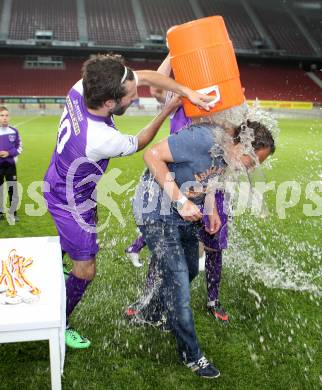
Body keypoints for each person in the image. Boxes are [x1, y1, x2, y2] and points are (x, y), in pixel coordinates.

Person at [43, 53, 213, 350]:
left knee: (69, 252)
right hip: (71, 201)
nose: (135, 99)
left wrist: (187, 92)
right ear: (109, 103)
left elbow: (144, 76)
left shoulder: (83, 87)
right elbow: (140, 142)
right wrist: (167, 109)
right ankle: (60, 322)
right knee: (86, 270)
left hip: (63, 179)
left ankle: (58, 266)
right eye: (131, 98)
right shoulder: (98, 138)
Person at [131, 112, 275, 378]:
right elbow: (151, 155)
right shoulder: (202, 138)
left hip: (183, 214)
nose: (251, 168)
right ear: (242, 146)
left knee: (190, 270)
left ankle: (150, 313)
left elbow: (210, 179)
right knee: (179, 286)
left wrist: (211, 211)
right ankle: (192, 355)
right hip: (154, 212)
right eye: (252, 160)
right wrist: (181, 202)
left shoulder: (226, 155)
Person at [125, 54, 228, 322]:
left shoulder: (220, 102)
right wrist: (174, 54)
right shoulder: (182, 99)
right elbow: (157, 88)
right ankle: (149, 298)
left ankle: (213, 299)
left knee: (215, 242)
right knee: (166, 243)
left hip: (213, 179)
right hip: (177, 182)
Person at [0, 106, 22, 225]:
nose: (4, 118)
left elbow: (20, 147)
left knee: (12, 189)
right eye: (2, 115)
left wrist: (9, 153)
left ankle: (13, 213)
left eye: (6, 115)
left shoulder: (14, 131)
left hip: (10, 166)